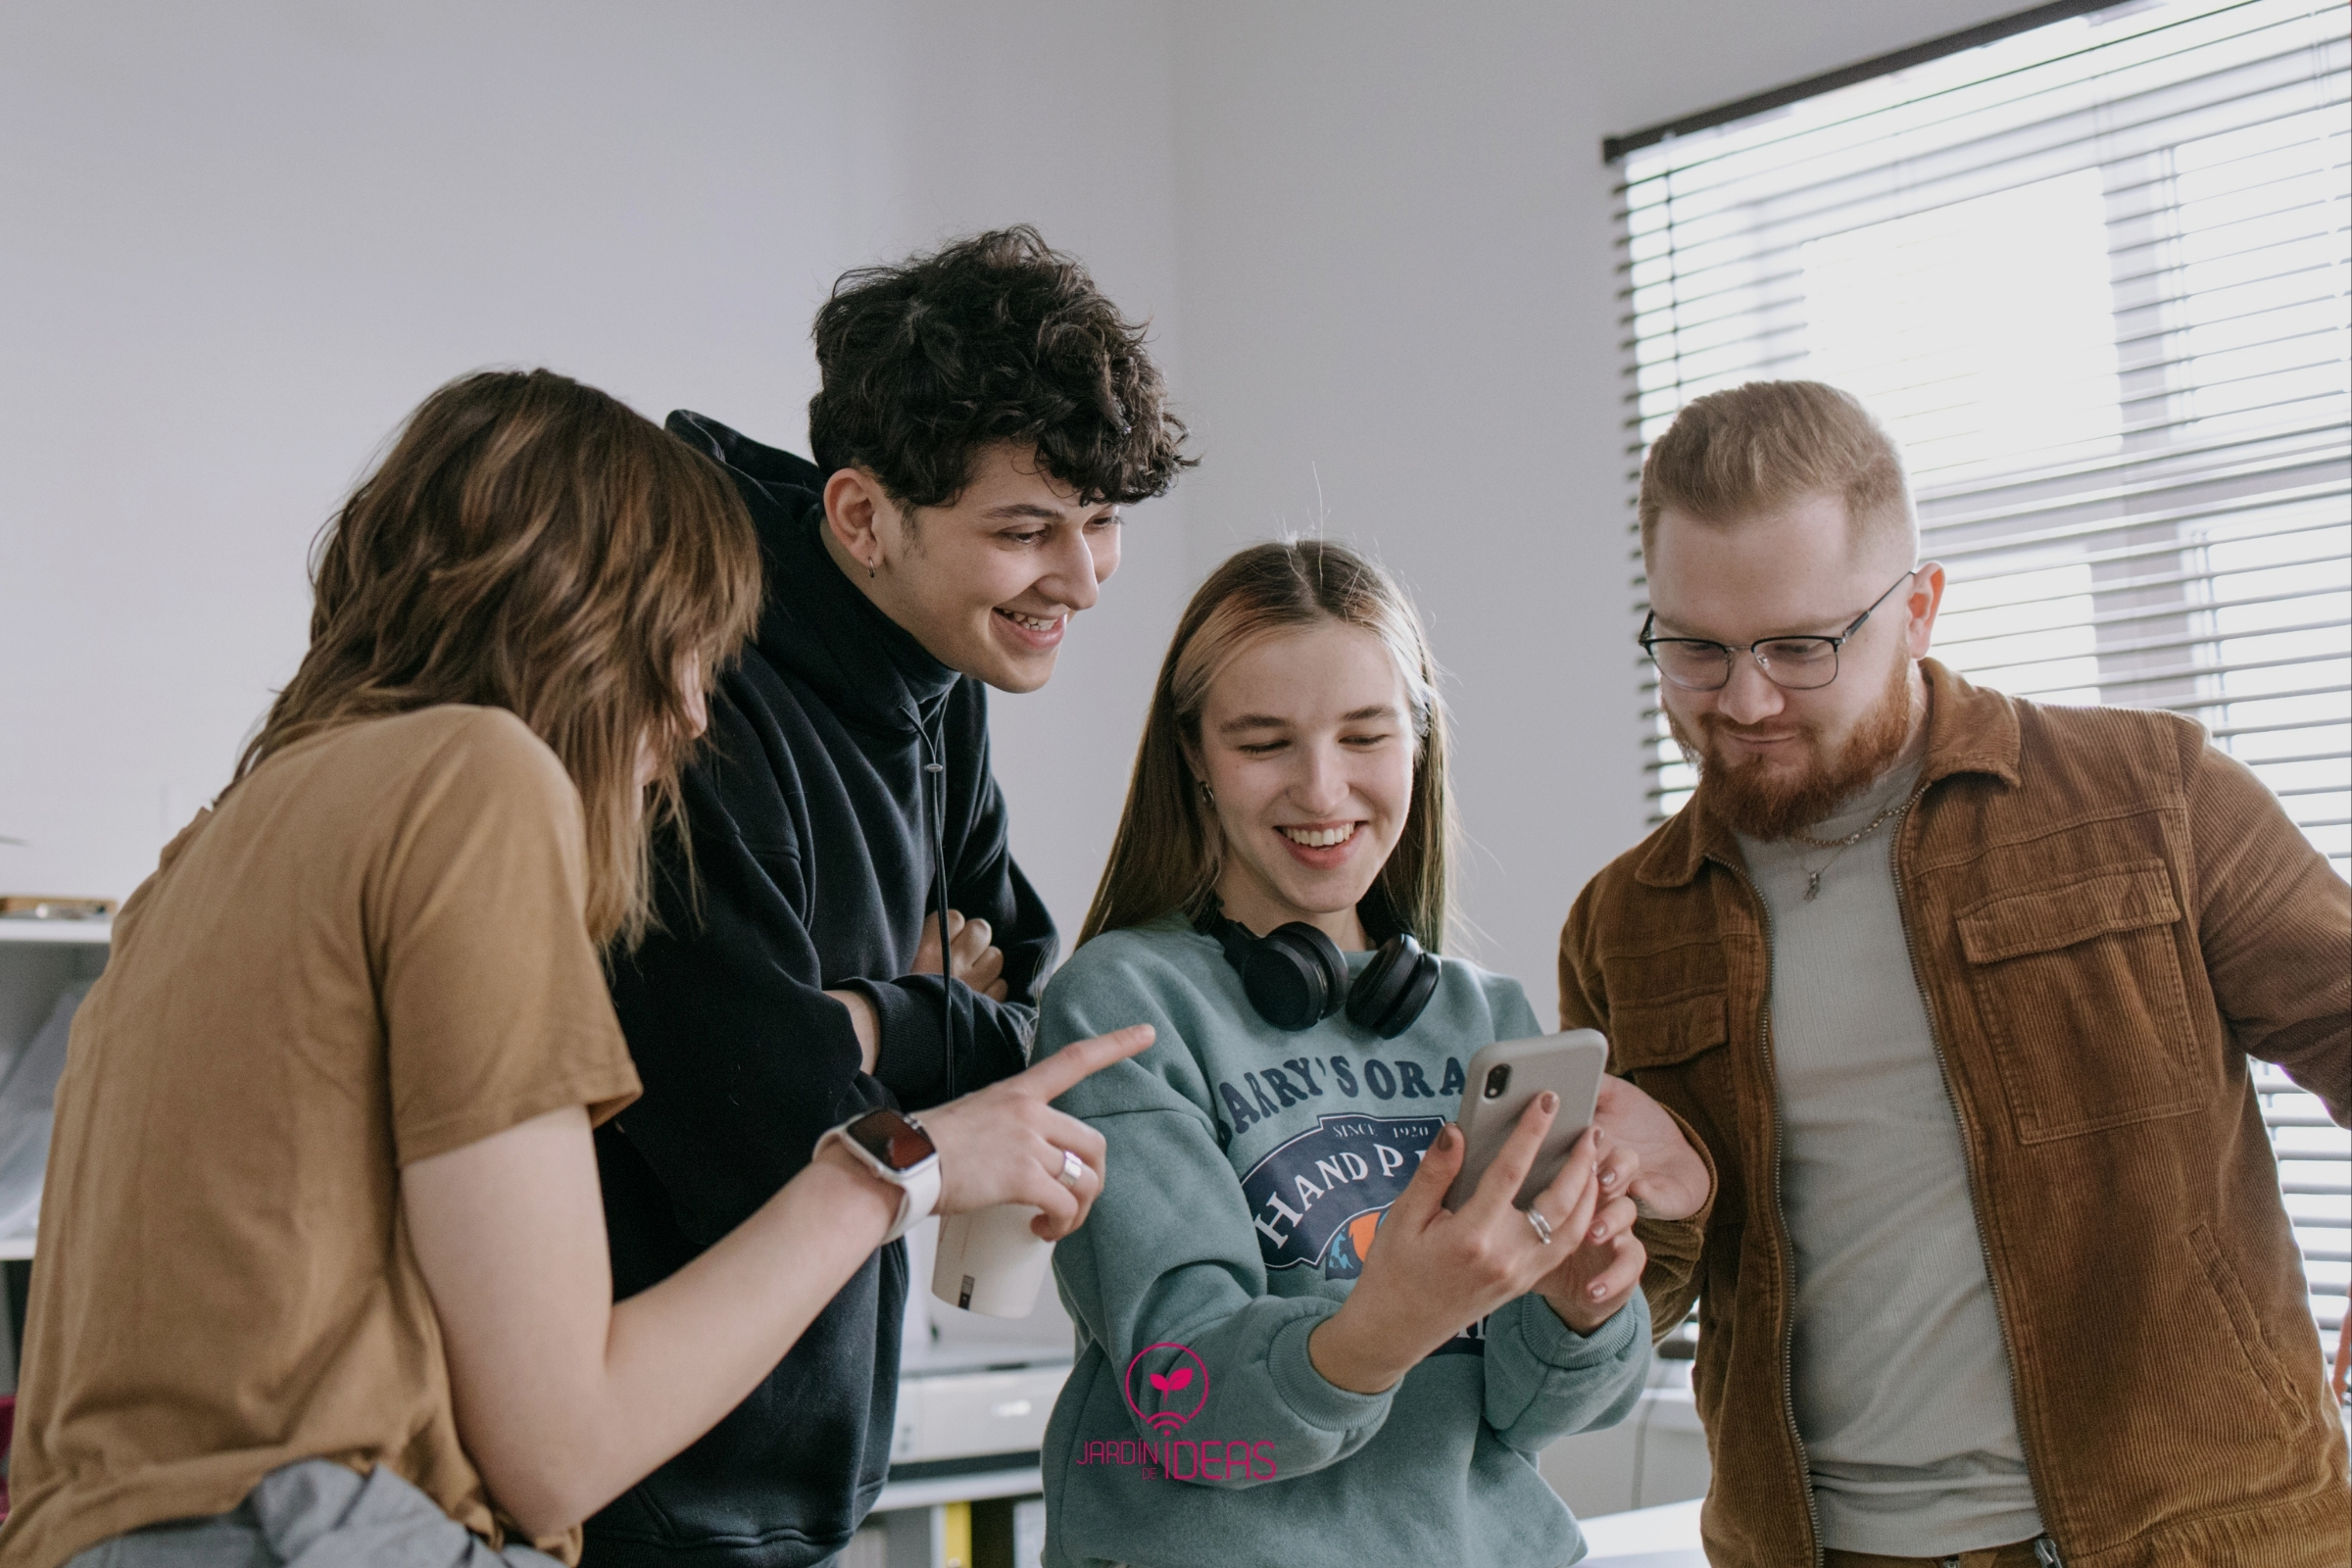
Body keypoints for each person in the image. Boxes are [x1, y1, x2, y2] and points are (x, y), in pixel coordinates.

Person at [0, 369, 1150, 1568]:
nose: (698, 716)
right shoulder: (475, 778)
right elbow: (558, 1445)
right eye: (691, 648)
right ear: (588, 620)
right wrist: (908, 1166)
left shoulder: (206, 853)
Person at [1558, 380, 2352, 1568]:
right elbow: (1646, 1284)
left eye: (1801, 646)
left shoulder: (2155, 796)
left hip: (2209, 1534)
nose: (1746, 699)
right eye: (1696, 650)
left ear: (1919, 608)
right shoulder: (1625, 923)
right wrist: (1588, 1259)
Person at [586, 228, 1191, 1568]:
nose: (1081, 581)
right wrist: (912, 1020)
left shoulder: (941, 675)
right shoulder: (700, 697)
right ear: (860, 517)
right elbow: (759, 1128)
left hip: (805, 1459)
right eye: (1028, 531)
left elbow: (1032, 1011)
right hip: (634, 1483)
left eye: (1099, 526)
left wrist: (863, 1024)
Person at [1030, 541, 1715, 1568]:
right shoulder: (1123, 1004)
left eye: (1365, 735)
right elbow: (1189, 1402)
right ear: (1194, 758)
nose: (1323, 787)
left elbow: (1532, 1417)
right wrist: (1392, 1320)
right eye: (1264, 741)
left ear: (1419, 741)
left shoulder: (1487, 1016)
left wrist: (1579, 1308)